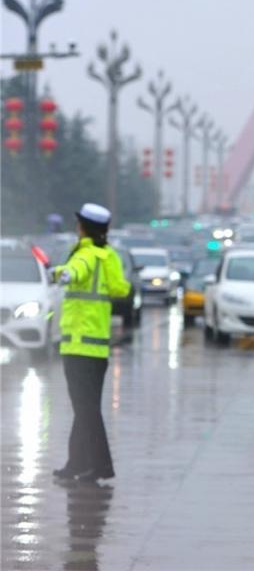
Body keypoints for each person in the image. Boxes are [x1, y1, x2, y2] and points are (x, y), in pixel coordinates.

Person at [52, 203, 131, 482]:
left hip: (77, 347)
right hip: (97, 347)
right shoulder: (109, 256)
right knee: (85, 409)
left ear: (83, 227)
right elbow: (121, 288)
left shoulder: (84, 253)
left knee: (86, 410)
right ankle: (76, 464)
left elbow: (77, 270)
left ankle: (100, 466)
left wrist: (63, 273)